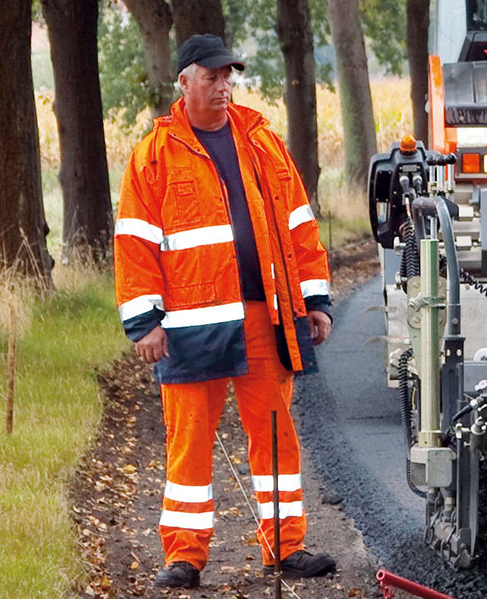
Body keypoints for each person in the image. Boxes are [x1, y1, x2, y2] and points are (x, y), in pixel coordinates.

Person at [113, 34, 338, 589]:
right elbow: (135, 242)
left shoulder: (262, 141)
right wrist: (144, 322)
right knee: (188, 440)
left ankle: (285, 548)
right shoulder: (155, 154)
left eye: (227, 75)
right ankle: (185, 558)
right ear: (184, 82)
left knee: (275, 432)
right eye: (211, 76)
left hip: (268, 316)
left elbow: (299, 226)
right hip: (191, 327)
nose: (223, 85)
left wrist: (316, 300)